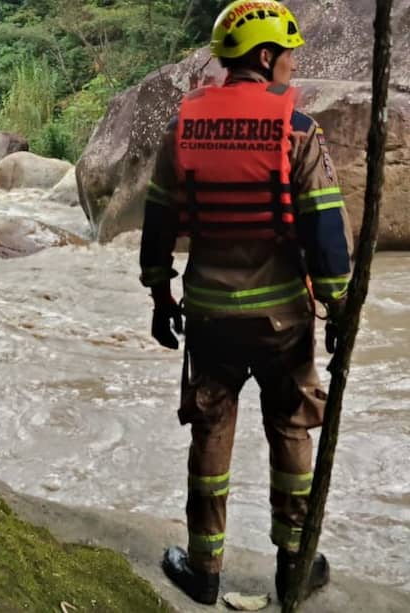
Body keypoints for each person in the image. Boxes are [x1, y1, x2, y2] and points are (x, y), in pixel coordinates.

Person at [138, 0, 353, 605]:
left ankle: (204, 570)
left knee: (211, 432)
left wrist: (160, 297)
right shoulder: (299, 130)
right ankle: (294, 566)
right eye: (287, 55)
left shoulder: (184, 129)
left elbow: (157, 225)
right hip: (283, 318)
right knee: (291, 428)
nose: (291, 66)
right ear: (265, 56)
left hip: (208, 316)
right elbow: (325, 232)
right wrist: (337, 310)